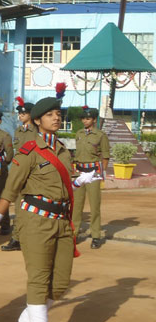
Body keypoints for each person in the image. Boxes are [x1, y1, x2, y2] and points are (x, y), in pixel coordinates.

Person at [0, 96, 101, 322]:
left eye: (58, 113)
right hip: (35, 221)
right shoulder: (29, 151)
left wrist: (79, 180)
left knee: (59, 284)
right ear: (37, 120)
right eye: (50, 115)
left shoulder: (61, 149)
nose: (56, 118)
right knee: (38, 279)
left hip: (61, 220)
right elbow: (10, 190)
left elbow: (61, 182)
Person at [72, 105, 110, 249]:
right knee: (77, 206)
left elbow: (105, 156)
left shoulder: (100, 135)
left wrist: (101, 173)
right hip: (79, 172)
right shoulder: (79, 133)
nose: (85, 121)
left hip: (93, 173)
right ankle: (74, 234)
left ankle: (95, 236)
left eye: (88, 118)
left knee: (95, 206)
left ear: (94, 119)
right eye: (83, 118)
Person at [2, 97, 37, 251]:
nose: (20, 116)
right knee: (18, 208)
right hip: (19, 173)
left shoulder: (36, 131)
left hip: (33, 174)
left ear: (30, 114)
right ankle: (17, 238)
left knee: (34, 208)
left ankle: (32, 238)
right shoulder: (18, 130)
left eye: (23, 114)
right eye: (20, 114)